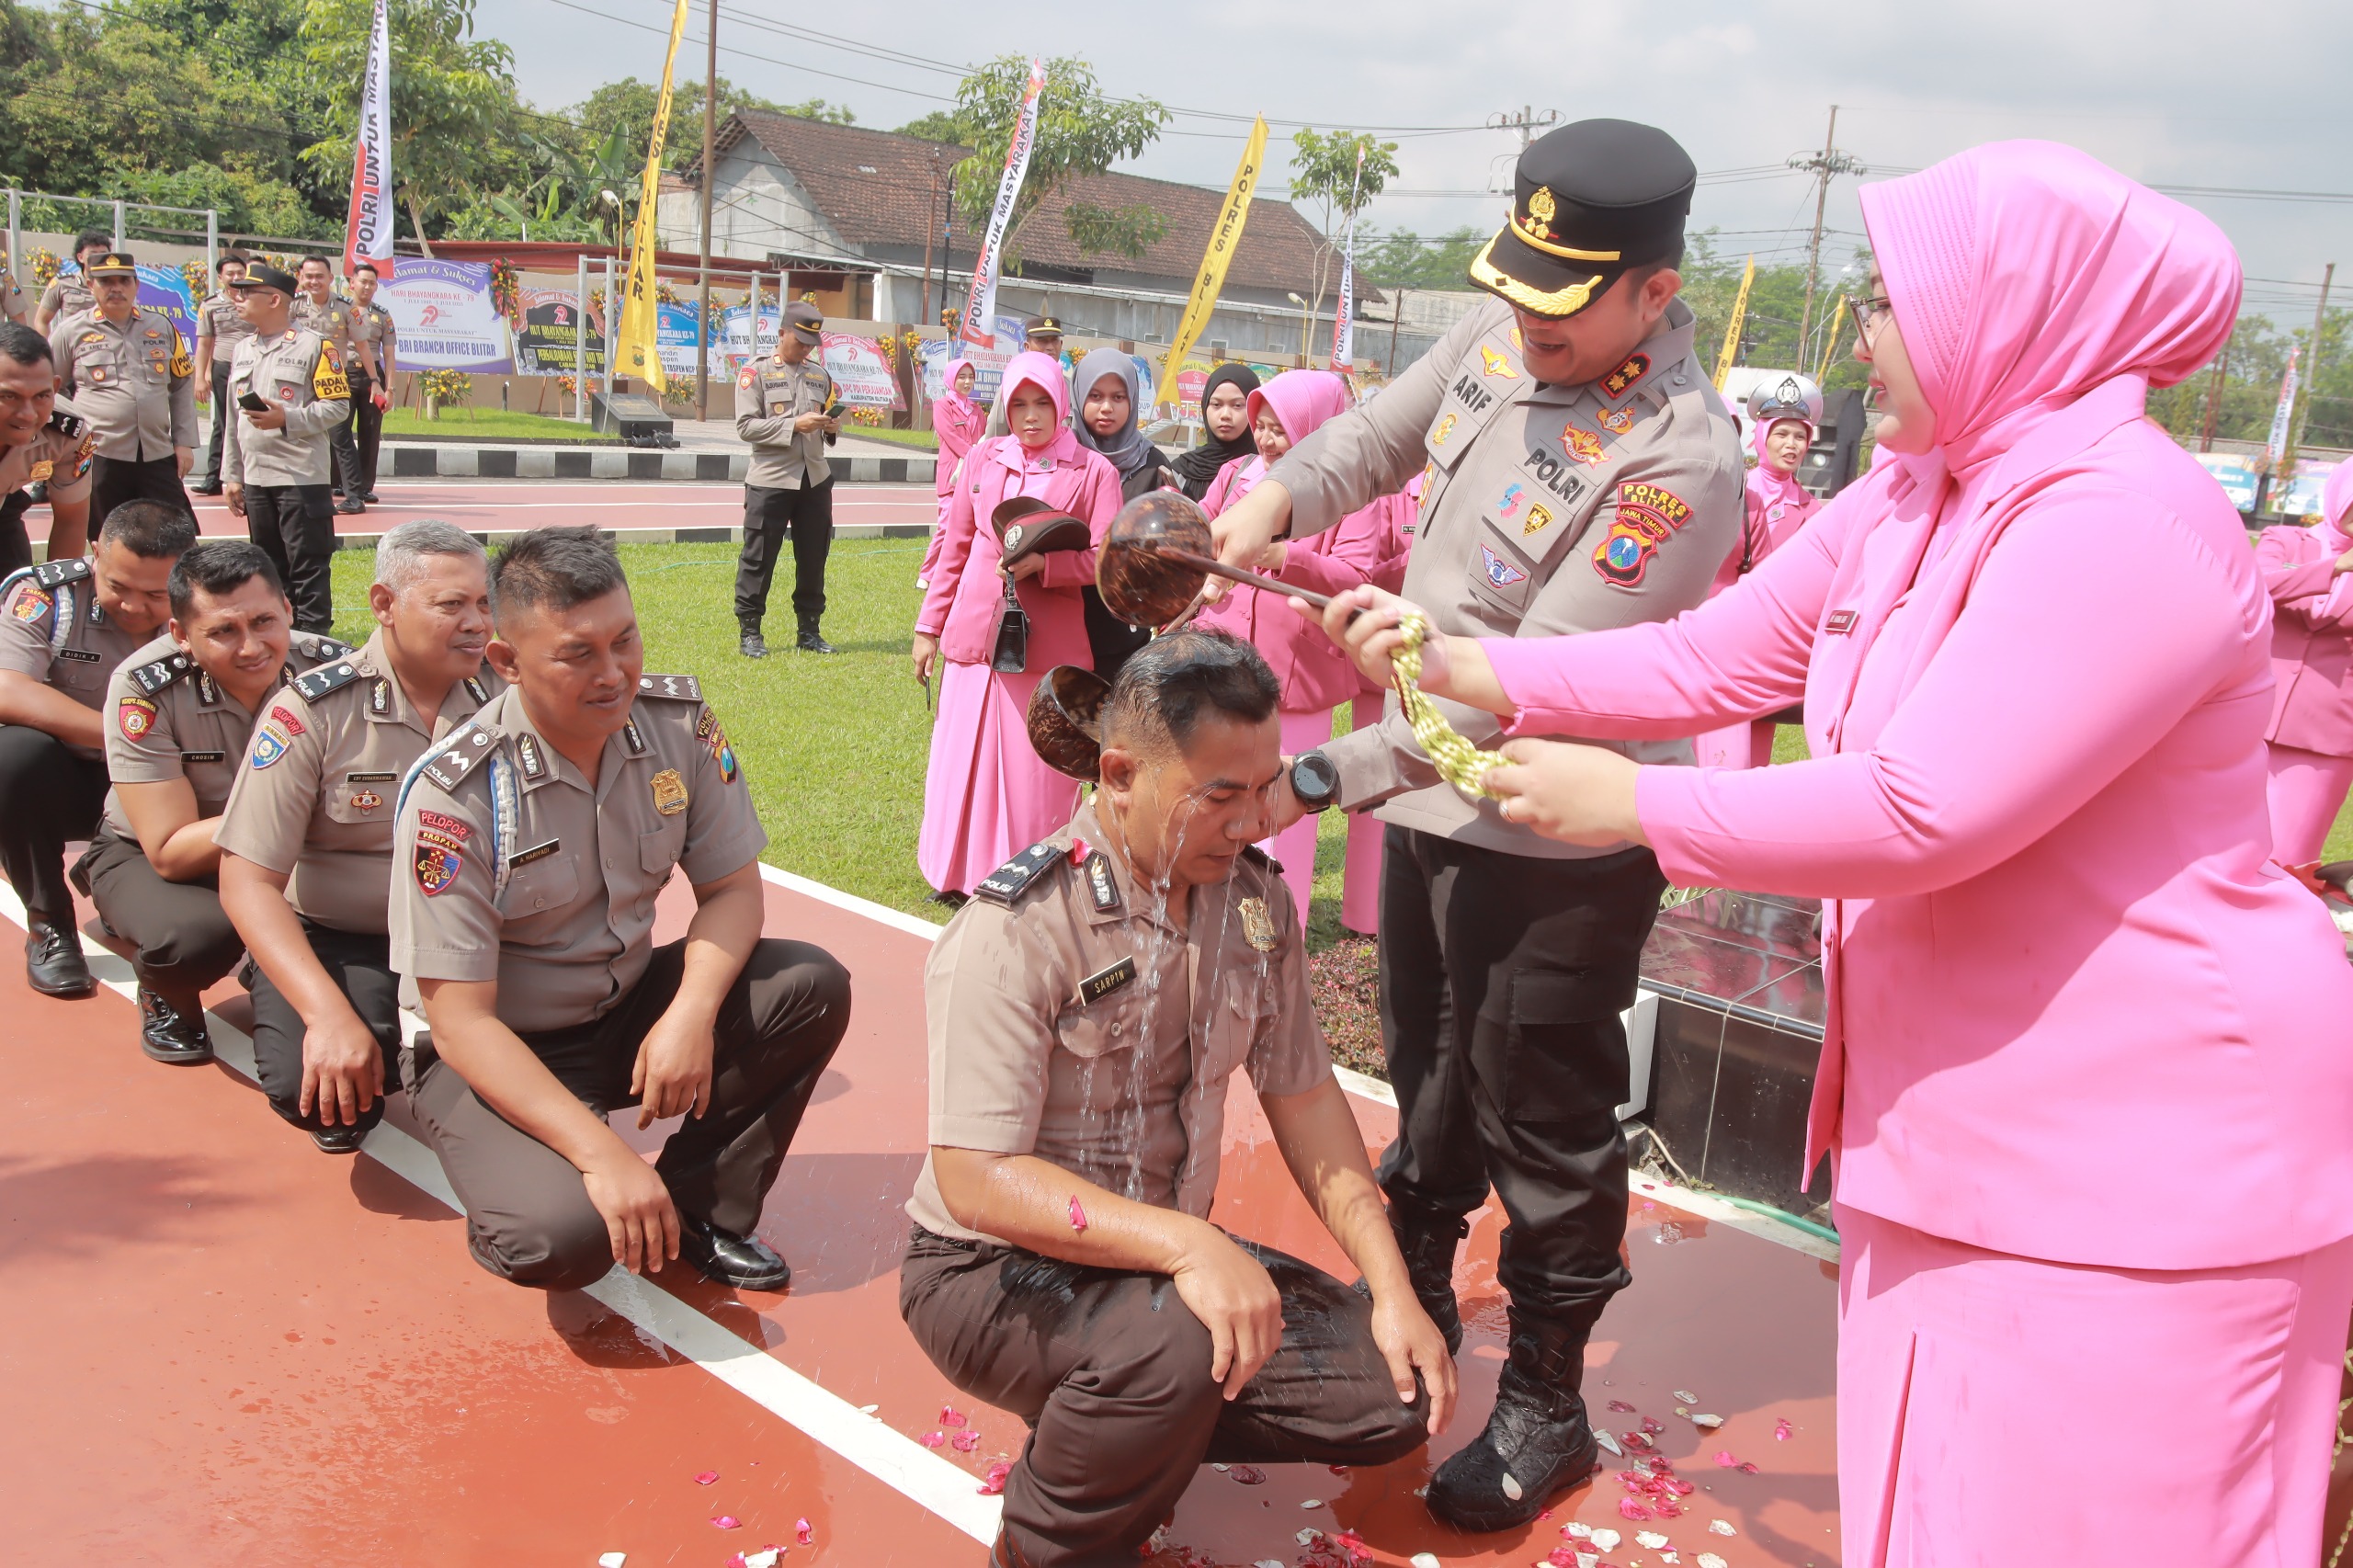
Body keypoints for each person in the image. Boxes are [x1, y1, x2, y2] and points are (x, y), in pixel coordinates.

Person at [1313, 142, 2353, 1565]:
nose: (1861, 335)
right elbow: (1710, 656)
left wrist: (1642, 809)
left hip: (2142, 1160)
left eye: (1891, 301)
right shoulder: (1918, 492)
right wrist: (1459, 662)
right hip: (1962, 1122)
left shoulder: (2120, 518)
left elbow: (1927, 807)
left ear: (2006, 313)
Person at [1207, 118, 1742, 1532]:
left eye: (1564, 303)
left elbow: (1523, 692)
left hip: (1556, 841)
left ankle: (1549, 1396)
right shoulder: (1509, 336)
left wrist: (1314, 780)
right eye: (1517, 288)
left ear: (1654, 291)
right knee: (1431, 1075)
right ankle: (1420, 1298)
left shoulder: (1678, 460)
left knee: (1544, 1119)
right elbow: (1377, 435)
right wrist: (1273, 496)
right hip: (1430, 805)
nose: (1527, 323)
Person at [900, 630, 1456, 1568]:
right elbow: (976, 1178)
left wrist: (1394, 1289)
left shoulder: (1253, 901)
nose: (1250, 824)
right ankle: (1041, 1547)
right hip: (990, 1271)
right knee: (1178, 1345)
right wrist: (1193, 1247)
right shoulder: (1018, 927)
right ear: (1120, 774)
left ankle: (1111, 1400)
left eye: (1263, 789)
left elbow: (1306, 1098)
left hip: (1154, 1262)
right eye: (1219, 796)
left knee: (1387, 1393)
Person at [389, 527, 852, 1291]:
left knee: (808, 984)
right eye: (577, 654)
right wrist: (604, 1157)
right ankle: (519, 1186)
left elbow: (734, 892)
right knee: (564, 1240)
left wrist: (689, 1014)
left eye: (624, 640)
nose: (613, 674)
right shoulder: (456, 794)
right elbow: (461, 1022)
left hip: (623, 1009)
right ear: (506, 661)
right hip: (497, 1045)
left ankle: (701, 1208)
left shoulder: (675, 725)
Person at [218, 520, 499, 1153]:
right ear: (384, 604)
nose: (478, 623)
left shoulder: (509, 699)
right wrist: (327, 1016)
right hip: (350, 936)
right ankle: (291, 984)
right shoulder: (312, 712)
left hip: (474, 932)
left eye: (485, 603)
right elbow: (246, 881)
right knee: (327, 1096)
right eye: (451, 604)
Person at [79, 535, 348, 1064]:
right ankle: (165, 987)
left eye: (264, 621)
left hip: (294, 854)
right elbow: (169, 851)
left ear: (288, 609)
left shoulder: (335, 673)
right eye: (223, 631)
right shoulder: (143, 686)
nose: (250, 647)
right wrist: (290, 810)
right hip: (162, 858)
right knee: (194, 937)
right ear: (181, 634)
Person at [1197, 369, 1410, 931]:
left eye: (1281, 429)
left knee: (1280, 803)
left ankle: (1272, 931)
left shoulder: (1353, 497)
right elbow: (1205, 532)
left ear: (1315, 430)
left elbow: (1355, 577)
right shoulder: (1237, 475)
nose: (1266, 440)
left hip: (1296, 674)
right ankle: (1214, 917)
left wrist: (1284, 557)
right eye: (1261, 426)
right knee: (1218, 790)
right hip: (1224, 658)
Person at [912, 351, 1120, 900]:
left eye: (1042, 404)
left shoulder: (1093, 471)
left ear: (1061, 405)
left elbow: (1106, 559)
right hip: (973, 635)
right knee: (962, 758)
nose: (1030, 417)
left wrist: (1046, 567)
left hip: (1044, 644)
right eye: (1019, 404)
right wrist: (928, 627)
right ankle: (952, 874)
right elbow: (955, 546)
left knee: (1031, 771)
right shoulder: (983, 456)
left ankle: (1025, 872)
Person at [0, 501, 193, 996]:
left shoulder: (208, 604)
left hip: (170, 782)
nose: (132, 606)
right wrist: (127, 738)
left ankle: (114, 880)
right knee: (10, 756)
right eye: (117, 586)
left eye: (155, 595)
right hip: (73, 775)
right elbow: (8, 689)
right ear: (95, 555)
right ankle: (50, 926)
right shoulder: (49, 596)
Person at [1693, 372, 1824, 768]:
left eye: (1800, 436)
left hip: (1767, 642)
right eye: (1781, 433)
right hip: (1712, 633)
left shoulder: (1814, 512)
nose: (1791, 444)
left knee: (1749, 754)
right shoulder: (1734, 492)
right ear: (1761, 436)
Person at [222, 263, 350, 634]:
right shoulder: (242, 349)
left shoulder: (315, 346)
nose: (238, 298)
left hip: (300, 476)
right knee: (266, 567)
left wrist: (287, 418)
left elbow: (338, 406)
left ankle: (313, 643)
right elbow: (232, 418)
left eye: (247, 293)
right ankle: (278, 637)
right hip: (257, 477)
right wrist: (232, 475)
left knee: (307, 567)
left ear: (275, 300)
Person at [49, 251, 198, 525]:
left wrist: (184, 442)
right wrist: (70, 439)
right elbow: (51, 390)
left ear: (136, 285)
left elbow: (181, 385)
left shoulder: (161, 326)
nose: (116, 288)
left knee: (173, 530)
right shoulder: (70, 331)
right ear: (90, 285)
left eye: (124, 281)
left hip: (156, 450)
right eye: (106, 281)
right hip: (101, 451)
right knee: (105, 532)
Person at [2256, 460, 2353, 864]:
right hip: (2246, 722)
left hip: (2327, 737)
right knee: (2211, 852)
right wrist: (2335, 567)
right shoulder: (2285, 540)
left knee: (2289, 862)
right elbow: (2255, 585)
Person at [733, 300, 840, 657]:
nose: (806, 349)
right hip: (771, 478)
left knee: (813, 557)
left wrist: (830, 427)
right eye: (800, 341)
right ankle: (750, 631)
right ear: (782, 333)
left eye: (811, 344)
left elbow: (824, 425)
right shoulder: (757, 372)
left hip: (814, 478)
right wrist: (794, 425)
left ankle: (809, 630)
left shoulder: (819, 375)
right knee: (759, 556)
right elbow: (746, 426)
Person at [1071, 347, 1177, 682]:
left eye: (1118, 397)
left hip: (1124, 628)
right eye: (1096, 396)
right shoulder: (1063, 455)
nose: (1107, 407)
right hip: (1063, 612)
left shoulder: (1152, 464)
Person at [0, 323, 96, 576]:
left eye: (41, 396)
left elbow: (71, 520)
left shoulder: (66, 431)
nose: (28, 414)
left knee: (17, 591)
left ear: (54, 387)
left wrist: (59, 590)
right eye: (9, 396)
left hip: (5, 506)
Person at [292, 256, 366, 515]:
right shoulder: (294, 305)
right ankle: (303, 493)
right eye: (309, 276)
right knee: (301, 437)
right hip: (299, 382)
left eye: (319, 276)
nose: (314, 281)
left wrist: (376, 381)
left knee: (341, 439)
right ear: (301, 278)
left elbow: (362, 345)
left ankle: (354, 496)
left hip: (331, 381)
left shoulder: (346, 307)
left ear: (330, 278)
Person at [917, 357, 985, 591]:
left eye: (971, 377)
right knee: (946, 526)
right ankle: (927, 573)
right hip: (951, 476)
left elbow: (984, 438)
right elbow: (950, 436)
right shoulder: (942, 406)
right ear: (951, 379)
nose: (967, 382)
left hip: (973, 476)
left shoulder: (977, 410)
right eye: (962, 377)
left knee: (972, 526)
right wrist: (972, 454)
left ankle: (961, 573)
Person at [189, 253, 254, 497]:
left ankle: (246, 478)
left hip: (252, 368)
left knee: (248, 420)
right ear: (220, 277)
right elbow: (204, 343)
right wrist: (200, 377)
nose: (236, 277)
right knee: (224, 422)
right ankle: (214, 477)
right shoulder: (211, 305)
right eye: (230, 273)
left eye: (240, 272)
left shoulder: (255, 299)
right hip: (223, 367)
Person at [1171, 362, 1260, 503]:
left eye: (1237, 405)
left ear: (1254, 409)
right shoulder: (1181, 471)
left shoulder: (1264, 469)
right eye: (1216, 405)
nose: (1225, 415)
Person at [344, 262, 395, 506]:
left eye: (372, 283)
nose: (367, 286)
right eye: (363, 281)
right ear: (352, 283)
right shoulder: (340, 309)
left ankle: (364, 486)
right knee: (339, 430)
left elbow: (390, 355)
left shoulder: (382, 315)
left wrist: (390, 389)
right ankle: (339, 482)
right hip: (342, 374)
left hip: (372, 378)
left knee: (370, 432)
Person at [34, 230, 111, 335]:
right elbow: (41, 321)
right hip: (73, 341)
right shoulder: (63, 283)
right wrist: (48, 344)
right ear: (80, 257)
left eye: (103, 255)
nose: (98, 259)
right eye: (93, 254)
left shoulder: (118, 286)